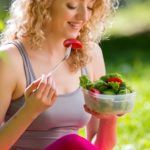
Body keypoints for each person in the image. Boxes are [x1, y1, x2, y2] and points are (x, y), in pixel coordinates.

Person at [0, 0, 118, 149]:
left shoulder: (91, 55)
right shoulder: (9, 59)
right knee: (73, 142)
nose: (84, 16)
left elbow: (99, 147)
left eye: (89, 7)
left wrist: (109, 118)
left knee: (74, 143)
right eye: (72, 6)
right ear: (44, 4)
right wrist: (29, 111)